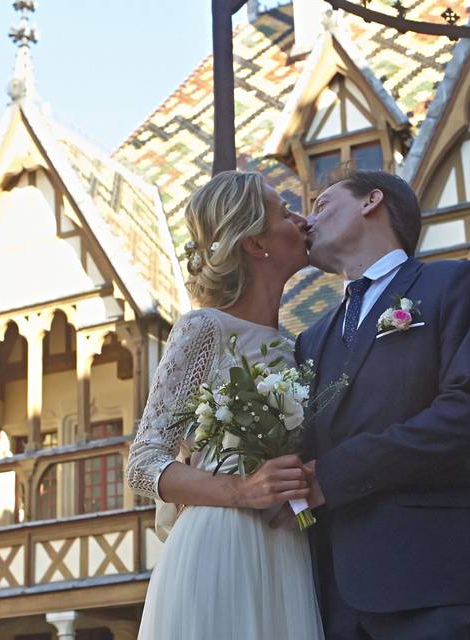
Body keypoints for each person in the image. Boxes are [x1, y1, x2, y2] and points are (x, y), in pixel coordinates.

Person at [277, 170, 470, 639]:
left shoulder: (451, 283)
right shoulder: (309, 340)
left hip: (434, 581)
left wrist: (334, 475)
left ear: (372, 202)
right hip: (335, 597)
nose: (307, 220)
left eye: (322, 204)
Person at [127, 170, 324, 639]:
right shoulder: (203, 330)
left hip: (289, 549)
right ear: (256, 244)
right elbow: (143, 463)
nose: (302, 221)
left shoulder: (300, 347)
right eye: (284, 212)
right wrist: (240, 490)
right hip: (220, 546)